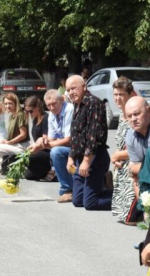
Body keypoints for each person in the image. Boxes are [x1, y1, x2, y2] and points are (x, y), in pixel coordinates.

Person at [65, 74, 112, 211]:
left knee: (90, 203)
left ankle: (125, 199)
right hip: (80, 157)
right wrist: (71, 157)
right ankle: (101, 186)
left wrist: (86, 161)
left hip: (94, 158)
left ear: (84, 86)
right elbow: (75, 135)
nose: (71, 92)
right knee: (77, 200)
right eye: (68, 90)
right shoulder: (77, 105)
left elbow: (94, 136)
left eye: (73, 88)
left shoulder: (93, 103)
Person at [110, 77, 136, 223]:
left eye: (121, 94)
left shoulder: (134, 117)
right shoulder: (121, 116)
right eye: (115, 94)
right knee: (122, 216)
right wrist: (116, 158)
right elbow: (120, 143)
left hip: (134, 164)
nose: (117, 98)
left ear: (130, 95)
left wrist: (117, 156)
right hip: (122, 165)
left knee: (129, 218)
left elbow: (141, 148)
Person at [41, 89, 74, 202]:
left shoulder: (69, 109)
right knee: (53, 150)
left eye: (54, 104)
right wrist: (43, 142)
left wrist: (46, 145)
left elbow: (69, 140)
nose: (51, 108)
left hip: (76, 146)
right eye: (48, 105)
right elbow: (51, 138)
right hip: (65, 146)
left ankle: (67, 189)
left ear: (62, 100)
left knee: (56, 152)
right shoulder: (51, 115)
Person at [0, 92, 30, 171]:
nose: (7, 106)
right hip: (14, 145)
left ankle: (18, 160)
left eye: (10, 103)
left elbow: (23, 134)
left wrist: (9, 142)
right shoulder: (11, 115)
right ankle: (13, 162)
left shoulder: (20, 115)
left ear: (15, 103)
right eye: (5, 104)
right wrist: (5, 141)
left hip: (21, 146)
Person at [24, 96, 53, 181]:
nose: (29, 113)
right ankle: (42, 172)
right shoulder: (35, 120)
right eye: (26, 111)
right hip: (39, 150)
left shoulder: (45, 118)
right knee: (28, 176)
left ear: (37, 107)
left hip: (46, 150)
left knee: (29, 157)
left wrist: (35, 147)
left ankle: (50, 171)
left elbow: (45, 139)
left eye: (31, 111)